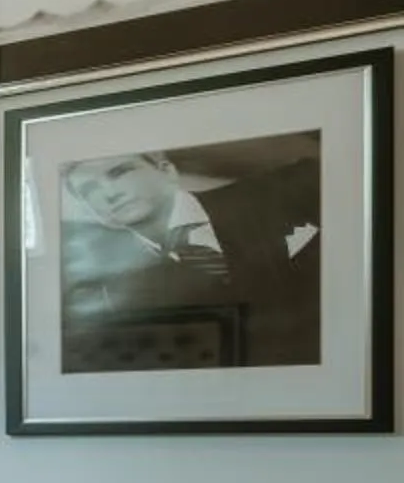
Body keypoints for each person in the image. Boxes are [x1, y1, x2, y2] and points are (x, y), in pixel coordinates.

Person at [58, 144, 321, 369]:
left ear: (167, 171)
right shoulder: (113, 294)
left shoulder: (287, 189)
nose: (109, 193)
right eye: (89, 189)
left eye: (121, 172)